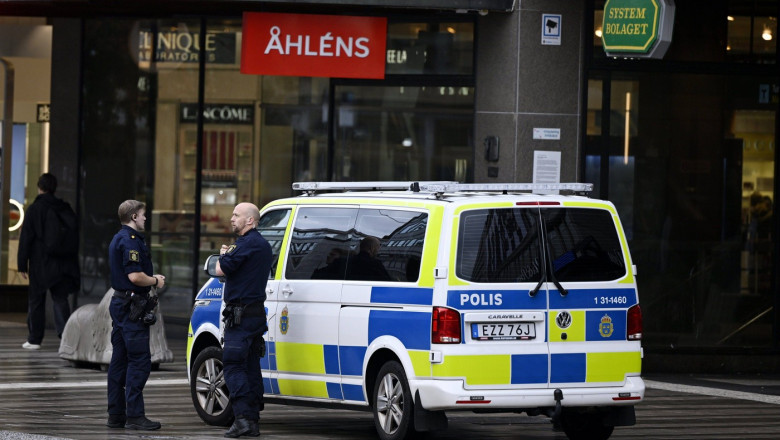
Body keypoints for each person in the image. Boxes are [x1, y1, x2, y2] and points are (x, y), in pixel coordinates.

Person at [106, 200, 165, 431]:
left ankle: (116, 415)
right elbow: (135, 277)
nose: (145, 218)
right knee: (139, 361)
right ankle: (135, 415)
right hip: (132, 307)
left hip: (121, 304)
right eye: (142, 215)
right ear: (133, 217)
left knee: (119, 362)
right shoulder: (129, 241)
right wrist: (155, 281)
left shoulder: (118, 237)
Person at [214, 202, 272, 438]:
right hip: (256, 314)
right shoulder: (263, 245)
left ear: (250, 220)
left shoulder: (246, 244)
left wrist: (224, 254)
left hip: (241, 316)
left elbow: (220, 269)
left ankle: (243, 420)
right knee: (250, 366)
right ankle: (252, 419)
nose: (232, 218)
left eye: (237, 215)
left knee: (234, 366)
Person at [17, 173, 80, 350]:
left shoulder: (35, 209)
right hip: (61, 264)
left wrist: (22, 264)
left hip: (40, 263)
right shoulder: (64, 208)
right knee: (60, 299)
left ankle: (35, 339)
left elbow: (26, 239)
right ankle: (66, 338)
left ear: (40, 187)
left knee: (36, 300)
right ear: (54, 188)